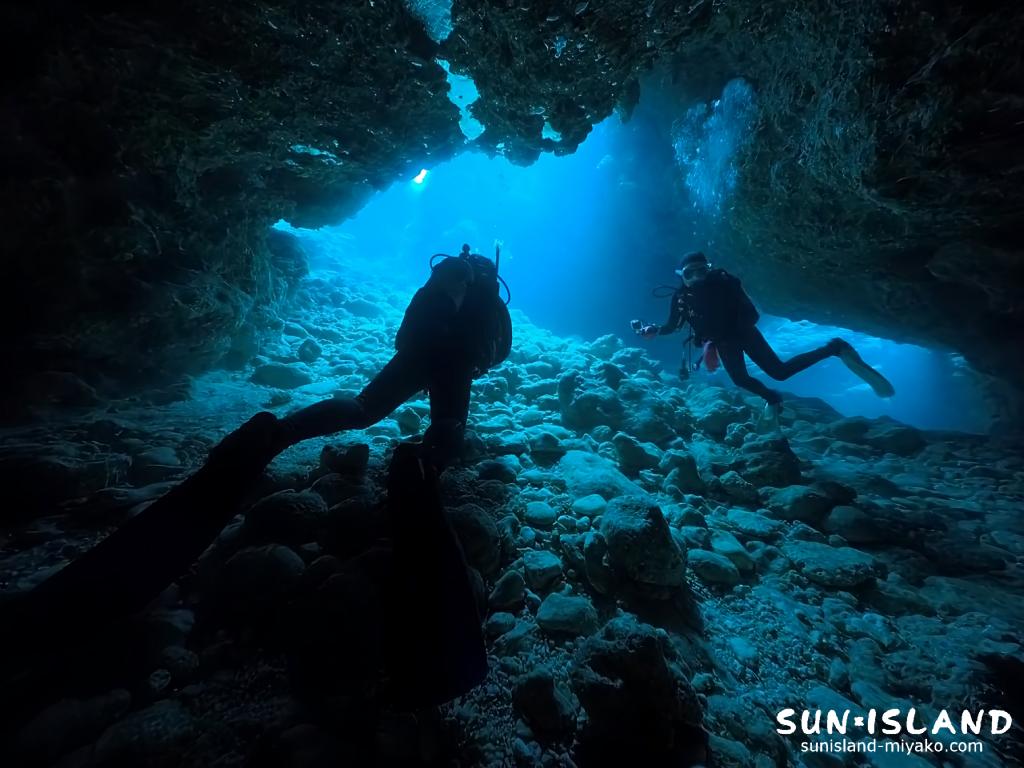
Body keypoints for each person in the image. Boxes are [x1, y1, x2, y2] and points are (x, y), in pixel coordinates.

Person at [260, 244, 512, 469]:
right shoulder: (489, 301)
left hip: (417, 352)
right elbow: (495, 349)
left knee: (363, 409)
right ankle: (419, 477)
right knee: (447, 431)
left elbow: (411, 324)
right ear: (492, 279)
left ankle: (281, 432)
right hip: (457, 365)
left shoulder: (441, 286)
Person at [633, 251, 894, 425]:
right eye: (691, 273)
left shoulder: (725, 283)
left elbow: (751, 315)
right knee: (739, 379)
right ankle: (773, 399)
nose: (698, 278)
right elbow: (673, 325)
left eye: (702, 271)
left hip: (743, 333)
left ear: (709, 269)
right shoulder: (681, 297)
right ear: (681, 276)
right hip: (722, 341)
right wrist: (654, 329)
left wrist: (714, 341)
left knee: (779, 372)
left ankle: (835, 347)